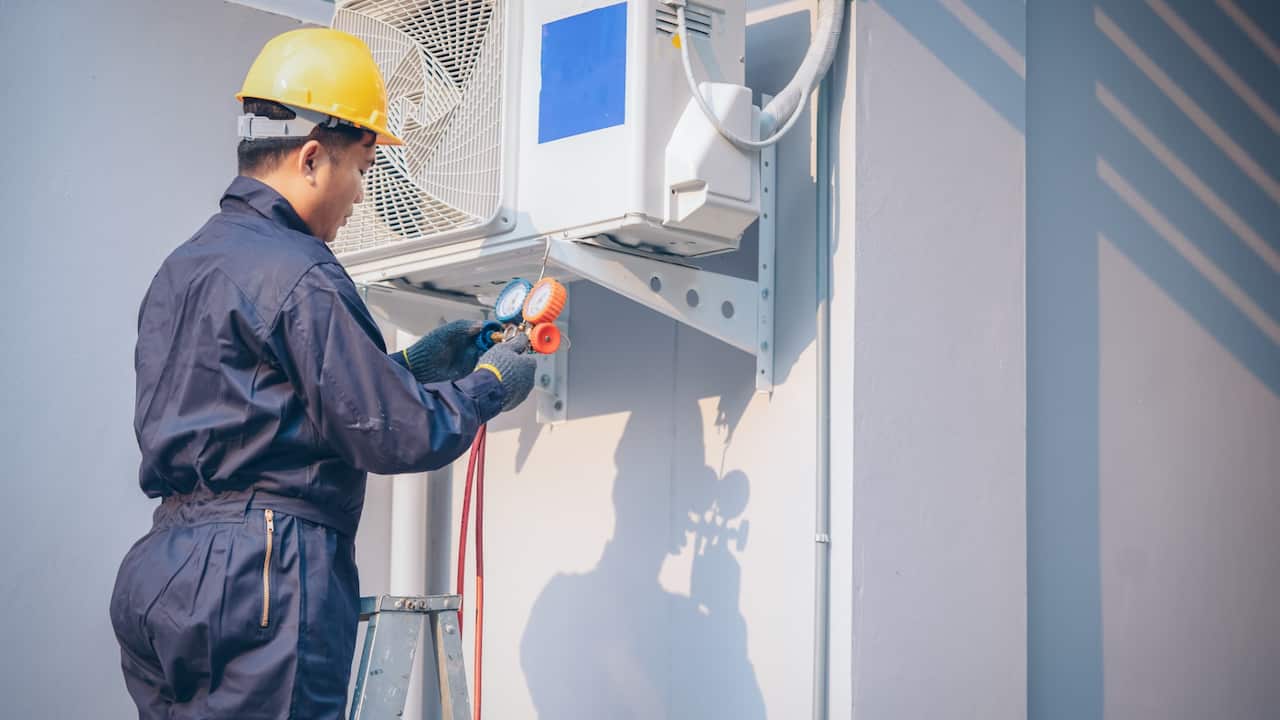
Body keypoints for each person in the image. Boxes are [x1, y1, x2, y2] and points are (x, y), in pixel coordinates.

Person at [108, 28, 535, 719]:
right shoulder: (301, 271)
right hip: (260, 574)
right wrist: (488, 384)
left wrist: (412, 367)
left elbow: (265, 409)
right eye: (363, 169)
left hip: (164, 571)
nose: (363, 195)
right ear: (311, 157)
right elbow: (392, 433)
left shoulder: (184, 268)